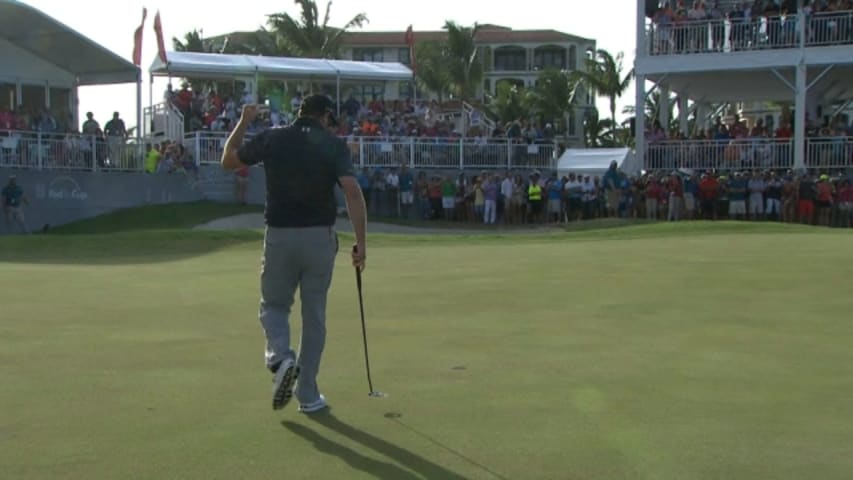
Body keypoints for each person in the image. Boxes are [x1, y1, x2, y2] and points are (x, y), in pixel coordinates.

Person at [220, 95, 367, 414]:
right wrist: (361, 245)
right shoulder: (332, 144)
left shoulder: (273, 137)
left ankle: (281, 358)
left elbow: (229, 160)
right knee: (314, 316)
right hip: (320, 238)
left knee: (273, 305)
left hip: (280, 235)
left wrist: (243, 122)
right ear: (325, 116)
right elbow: (352, 192)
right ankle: (309, 395)